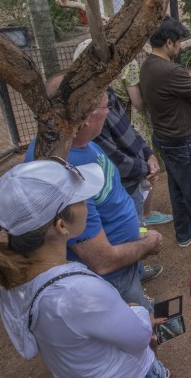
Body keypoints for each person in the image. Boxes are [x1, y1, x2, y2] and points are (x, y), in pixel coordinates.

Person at [0, 159, 190, 378]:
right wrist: (138, 312)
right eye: (82, 199)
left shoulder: (12, 277)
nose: (89, 203)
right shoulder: (78, 292)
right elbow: (139, 338)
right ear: (61, 225)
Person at [25, 75, 164, 309]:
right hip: (109, 278)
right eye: (105, 105)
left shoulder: (78, 142)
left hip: (123, 261)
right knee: (141, 329)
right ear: (86, 118)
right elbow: (102, 261)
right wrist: (148, 244)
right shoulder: (65, 172)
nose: (109, 111)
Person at [74, 39, 172, 227]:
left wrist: (148, 154)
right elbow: (112, 157)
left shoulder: (107, 92)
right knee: (131, 229)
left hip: (134, 171)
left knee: (136, 220)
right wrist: (145, 168)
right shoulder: (89, 112)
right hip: (123, 182)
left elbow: (129, 128)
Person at [140, 16, 191, 249]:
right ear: (169, 42)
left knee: (179, 188)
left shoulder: (147, 65)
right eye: (179, 41)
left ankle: (184, 233)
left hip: (165, 137)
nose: (181, 46)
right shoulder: (171, 71)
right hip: (182, 141)